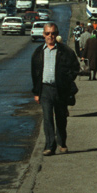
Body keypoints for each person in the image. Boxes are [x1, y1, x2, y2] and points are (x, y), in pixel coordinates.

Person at [30, 22, 79, 156]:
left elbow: (75, 67)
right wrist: (36, 92)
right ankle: (49, 146)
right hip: (45, 89)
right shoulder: (38, 52)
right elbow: (35, 73)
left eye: (53, 33)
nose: (50, 36)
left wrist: (66, 80)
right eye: (47, 33)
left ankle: (62, 143)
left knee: (61, 118)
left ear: (57, 34)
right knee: (47, 118)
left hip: (61, 89)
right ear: (43, 34)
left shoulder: (65, 51)